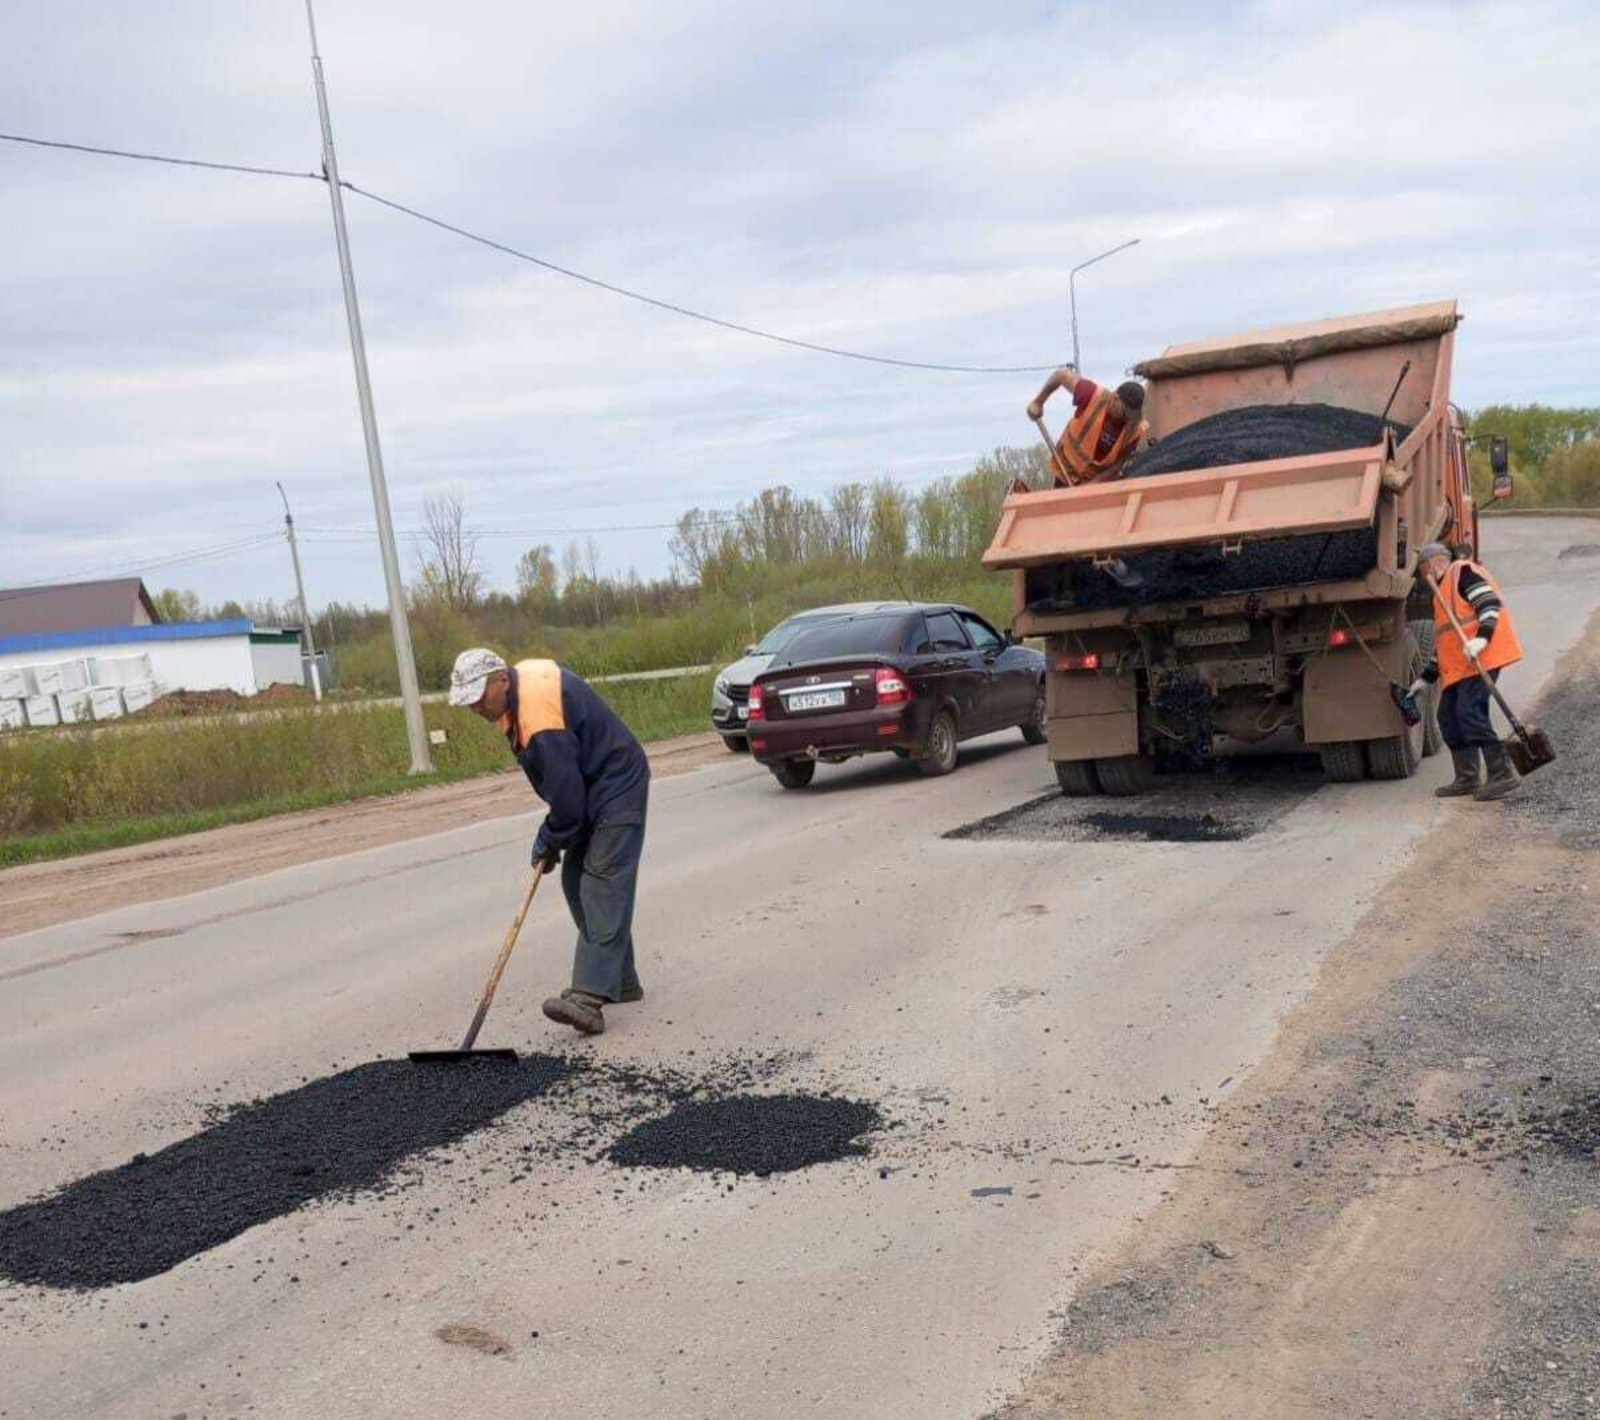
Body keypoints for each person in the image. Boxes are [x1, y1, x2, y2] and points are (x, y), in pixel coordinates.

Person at [448, 647, 651, 1035]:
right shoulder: (520, 690)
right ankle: (620, 981)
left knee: (601, 884)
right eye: (468, 702)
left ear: (501, 680)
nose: (475, 709)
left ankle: (590, 998)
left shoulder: (539, 716)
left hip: (617, 784)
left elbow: (567, 800)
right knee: (575, 879)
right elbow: (566, 793)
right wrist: (556, 839)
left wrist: (549, 838)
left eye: (478, 698)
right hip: (592, 785)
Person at [1416, 543, 1524, 801]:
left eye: (1421, 569)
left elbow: (1489, 604)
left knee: (1469, 712)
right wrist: (1425, 679)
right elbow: (1446, 643)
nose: (1421, 576)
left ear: (1431, 564)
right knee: (1448, 716)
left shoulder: (1462, 574)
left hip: (1483, 657)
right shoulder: (1440, 592)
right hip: (1462, 665)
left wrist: (1482, 639)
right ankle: (1467, 778)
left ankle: (1502, 773)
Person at [1026, 367, 1151, 485]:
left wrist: (1093, 485)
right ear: (1115, 399)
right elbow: (1061, 375)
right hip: (1065, 473)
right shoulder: (1091, 395)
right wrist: (1038, 402)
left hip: (1097, 484)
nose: (1128, 418)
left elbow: (1119, 463)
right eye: (1125, 412)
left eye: (1132, 415)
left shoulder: (1135, 429)